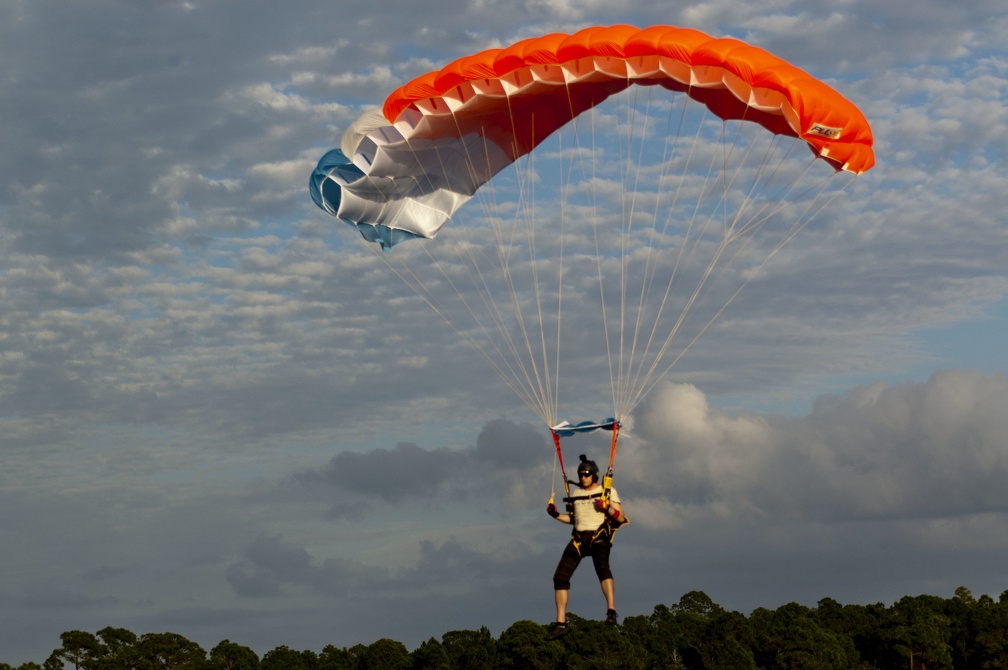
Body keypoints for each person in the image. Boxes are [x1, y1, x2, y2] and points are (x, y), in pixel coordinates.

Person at [545, 454, 625, 639]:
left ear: (594, 475)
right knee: (559, 577)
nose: (582, 477)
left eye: (586, 474)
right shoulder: (575, 493)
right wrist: (555, 515)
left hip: (599, 536)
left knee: (602, 568)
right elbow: (573, 519)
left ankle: (611, 612)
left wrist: (607, 508)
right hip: (579, 538)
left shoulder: (608, 491)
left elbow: (620, 517)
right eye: (580, 474)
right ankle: (561, 623)